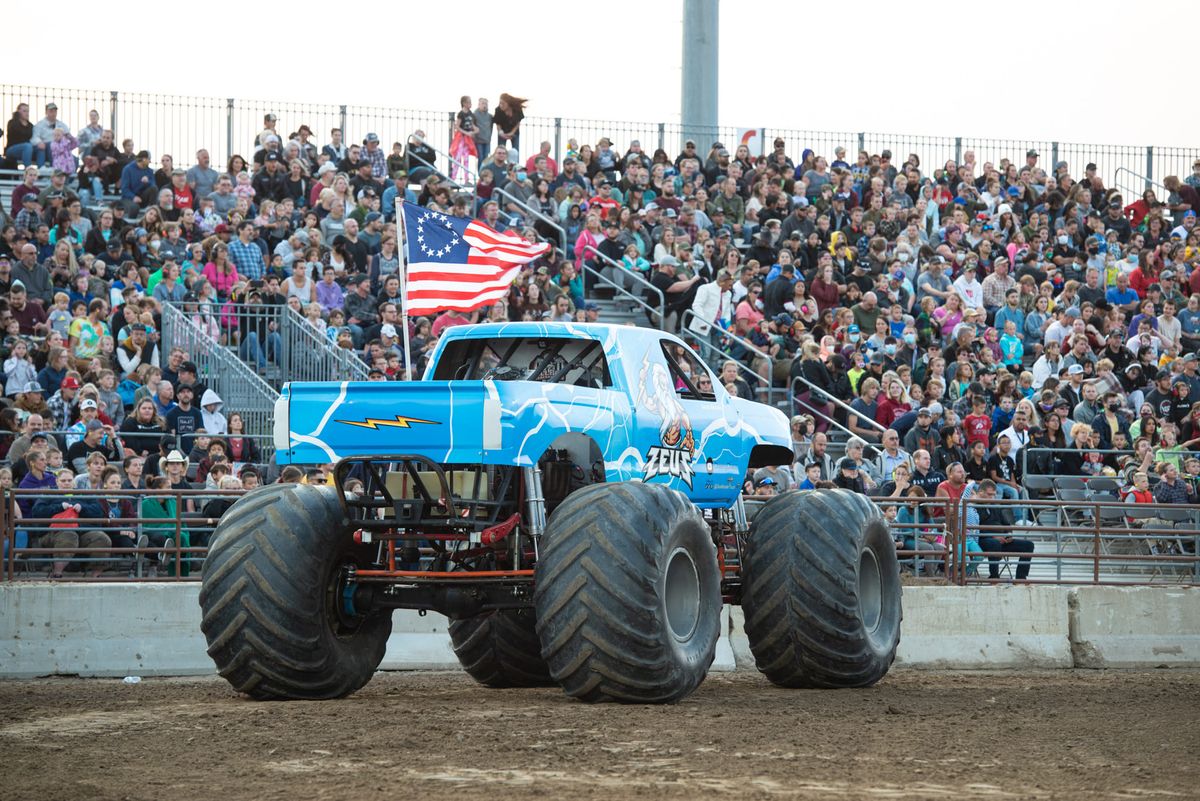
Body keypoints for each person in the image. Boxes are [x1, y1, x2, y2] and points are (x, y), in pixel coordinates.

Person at [965, 479, 1034, 580]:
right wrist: (993, 536)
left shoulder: (996, 505)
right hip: (982, 541)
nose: (992, 497)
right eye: (989, 494)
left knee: (1028, 545)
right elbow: (974, 530)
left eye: (994, 494)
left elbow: (1006, 524)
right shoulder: (973, 508)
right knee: (994, 543)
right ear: (980, 492)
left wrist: (1008, 535)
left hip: (1001, 540)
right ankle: (994, 576)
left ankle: (1021, 578)